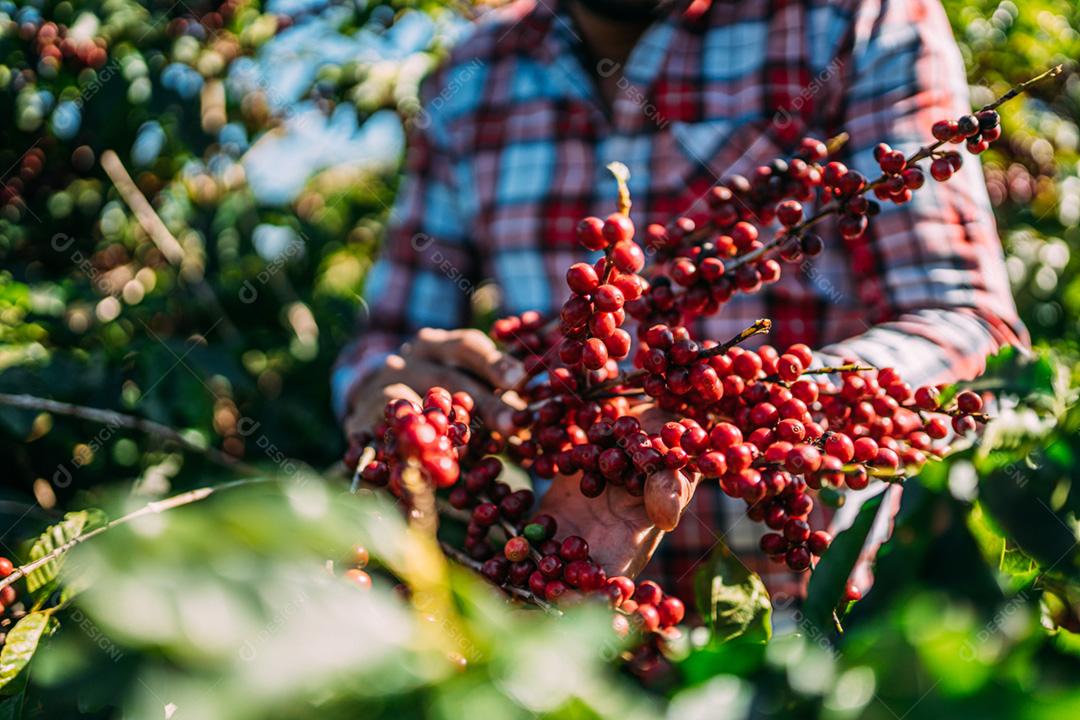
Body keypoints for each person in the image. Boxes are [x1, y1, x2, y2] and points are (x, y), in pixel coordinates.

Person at [333, 0, 1026, 600]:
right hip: (560, 626)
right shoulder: (471, 76)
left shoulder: (848, 18)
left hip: (824, 633)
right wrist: (389, 395)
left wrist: (742, 413)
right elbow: (385, 338)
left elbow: (973, 331)